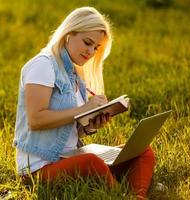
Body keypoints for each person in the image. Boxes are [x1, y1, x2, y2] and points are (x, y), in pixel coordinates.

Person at [13, 7, 155, 199]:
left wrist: (88, 126)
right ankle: (118, 193)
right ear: (69, 34)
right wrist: (84, 108)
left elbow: (66, 130)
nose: (91, 52)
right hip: (39, 168)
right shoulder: (43, 65)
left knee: (142, 151)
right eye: (87, 43)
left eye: (96, 48)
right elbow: (36, 120)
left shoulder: (74, 73)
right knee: (91, 162)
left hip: (70, 157)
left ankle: (136, 196)